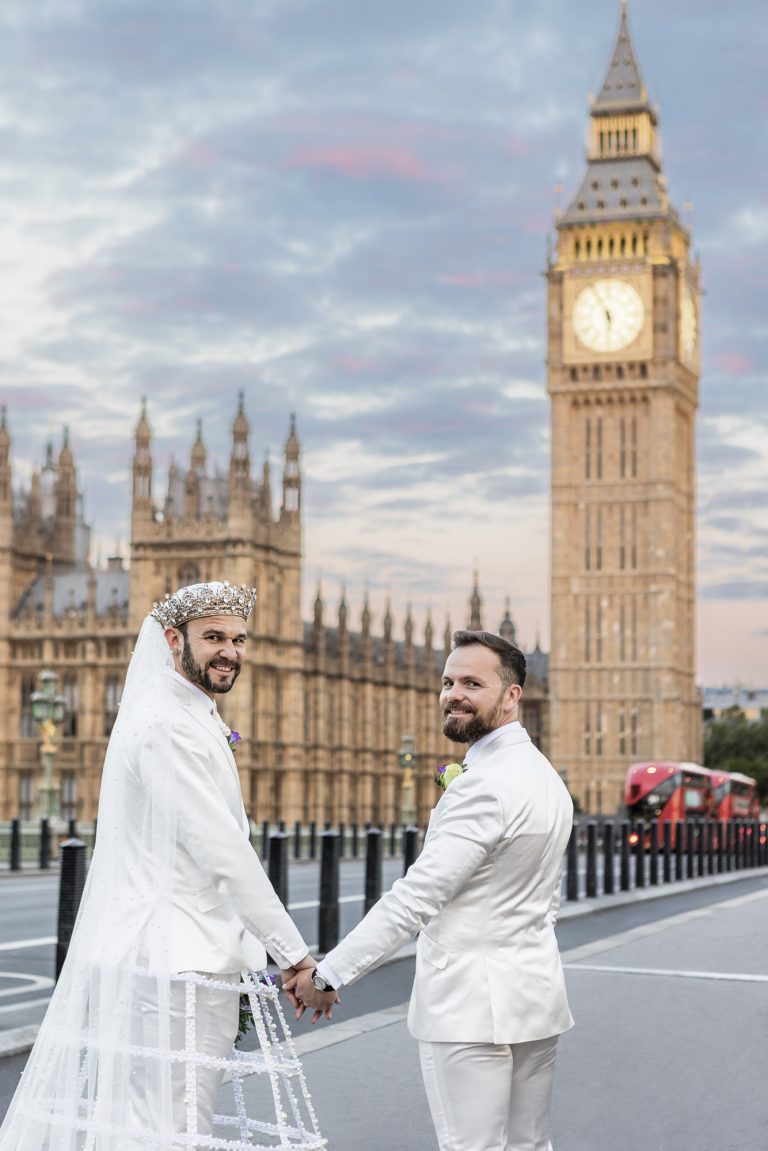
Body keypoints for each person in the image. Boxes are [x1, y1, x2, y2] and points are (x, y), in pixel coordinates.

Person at [0, 581, 326, 1151]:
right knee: (175, 1128)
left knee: (153, 1123)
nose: (230, 651)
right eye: (214, 638)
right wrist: (295, 956)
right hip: (177, 965)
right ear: (174, 640)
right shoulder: (168, 725)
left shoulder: (184, 713)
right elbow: (224, 850)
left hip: (181, 957)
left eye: (238, 639)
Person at [287, 629, 574, 1151]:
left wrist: (328, 974)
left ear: (512, 696)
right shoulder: (546, 777)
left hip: (470, 1007)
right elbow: (546, 900)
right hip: (535, 996)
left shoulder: (482, 785)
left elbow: (415, 898)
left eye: (471, 683)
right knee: (530, 1145)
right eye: (447, 682)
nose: (453, 694)